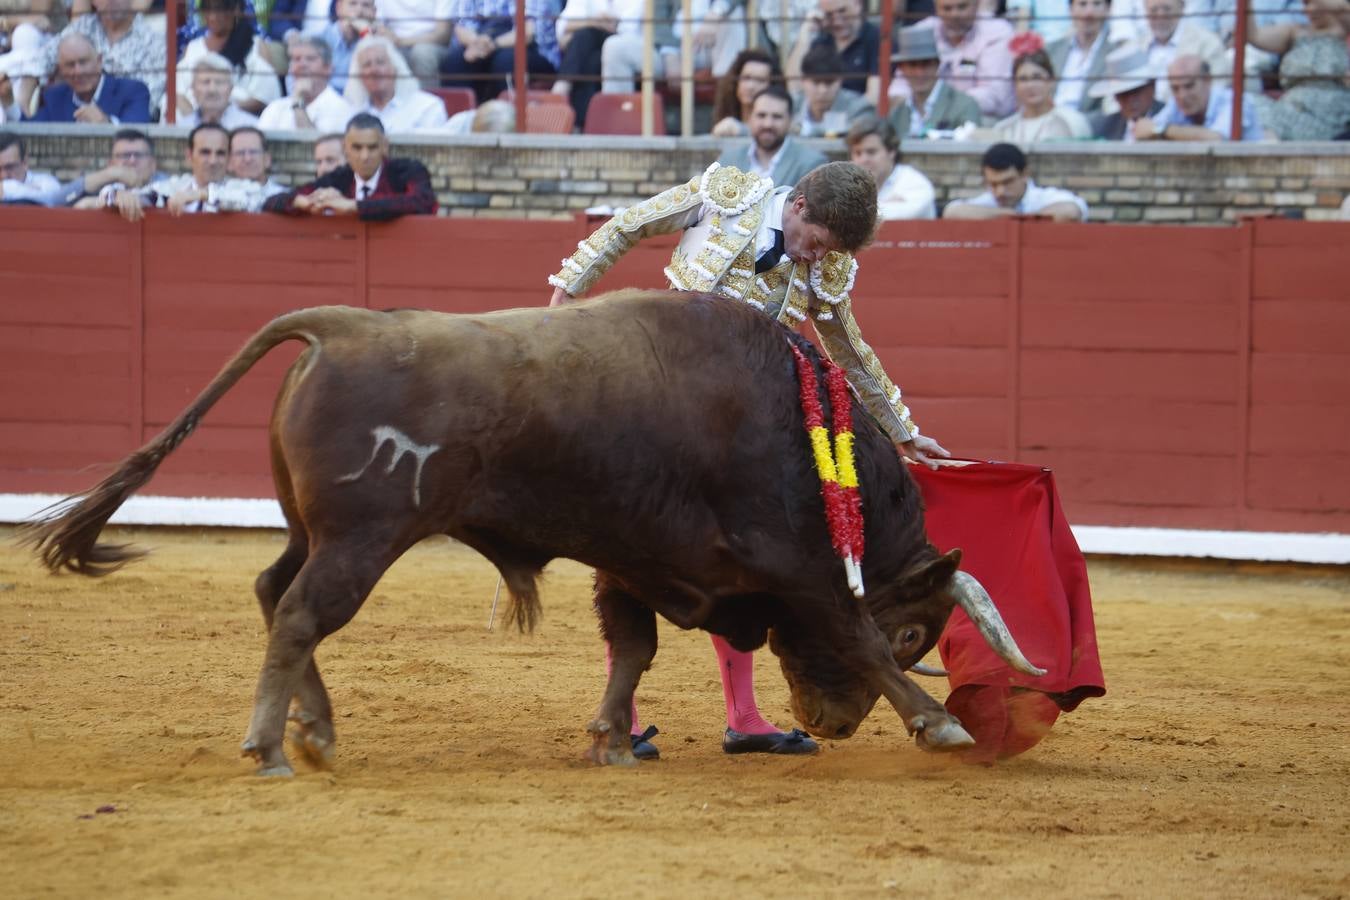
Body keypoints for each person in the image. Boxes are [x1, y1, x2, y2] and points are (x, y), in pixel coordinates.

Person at [548, 160, 950, 758]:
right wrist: (570, 288)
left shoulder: (830, 262)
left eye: (829, 252)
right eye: (815, 243)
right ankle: (623, 715)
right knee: (626, 549)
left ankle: (745, 717)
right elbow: (628, 226)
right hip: (665, 396)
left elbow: (850, 349)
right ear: (800, 205)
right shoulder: (726, 196)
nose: (817, 258)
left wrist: (903, 430)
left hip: (742, 435)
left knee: (744, 563)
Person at [264, 111, 437, 218]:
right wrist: (302, 201)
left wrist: (351, 205)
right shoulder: (339, 178)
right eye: (357, 148)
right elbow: (272, 202)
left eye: (372, 147)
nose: (364, 156)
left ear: (384, 146)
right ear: (345, 148)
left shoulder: (407, 170)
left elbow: (423, 202)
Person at [109, 122, 270, 220]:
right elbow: (141, 197)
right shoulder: (174, 188)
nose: (213, 161)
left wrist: (200, 194)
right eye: (205, 152)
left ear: (229, 159)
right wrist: (120, 195)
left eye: (220, 153)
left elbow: (251, 201)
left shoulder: (244, 189)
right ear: (189, 156)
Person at [38, 0, 166, 115]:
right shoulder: (82, 27)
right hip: (75, 113)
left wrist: (104, 118)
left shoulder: (154, 40)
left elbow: (150, 102)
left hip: (126, 121)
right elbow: (38, 61)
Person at [600, 0, 746, 100]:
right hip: (671, 45)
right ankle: (620, 122)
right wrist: (670, 52)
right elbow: (657, 18)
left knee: (734, 19)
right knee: (615, 47)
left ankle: (727, 108)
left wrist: (717, 12)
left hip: (711, 47)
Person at [1248, 0, 1350, 141]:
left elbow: (1342, 7)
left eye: (1312, 3)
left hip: (1331, 112)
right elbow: (1253, 36)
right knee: (1249, 104)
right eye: (1305, 4)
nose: (1307, 10)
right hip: (1290, 107)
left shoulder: (1342, 28)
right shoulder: (1294, 31)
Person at [902, 0, 1015, 120]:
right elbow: (898, 90)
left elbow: (994, 98)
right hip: (926, 116)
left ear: (977, 5)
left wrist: (936, 104)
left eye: (962, 7)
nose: (954, 15)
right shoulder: (923, 30)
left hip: (980, 121)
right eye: (947, 8)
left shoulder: (997, 30)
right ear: (936, 8)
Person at [440, 0, 560, 104]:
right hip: (483, 44)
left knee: (506, 61)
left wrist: (492, 45)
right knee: (454, 62)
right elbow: (462, 27)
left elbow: (527, 33)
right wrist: (476, 42)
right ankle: (463, 120)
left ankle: (511, 119)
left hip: (533, 51)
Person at [177, 0, 283, 116]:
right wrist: (195, 118)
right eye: (208, 9)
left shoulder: (256, 46)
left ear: (236, 9)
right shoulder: (192, 48)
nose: (212, 16)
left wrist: (224, 111)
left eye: (219, 10)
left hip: (238, 122)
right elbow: (177, 91)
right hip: (193, 120)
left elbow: (266, 95)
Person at [551, 0, 642, 129]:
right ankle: (585, 126)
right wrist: (594, 22)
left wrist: (596, 24)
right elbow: (564, 31)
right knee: (591, 57)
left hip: (626, 49)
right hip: (592, 49)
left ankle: (562, 91)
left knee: (589, 38)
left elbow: (630, 32)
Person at [943, 141, 1088, 221]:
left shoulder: (1044, 197)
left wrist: (1018, 220)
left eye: (1008, 182)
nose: (1000, 192)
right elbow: (952, 212)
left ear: (1025, 174)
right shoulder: (987, 202)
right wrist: (1007, 214)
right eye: (993, 184)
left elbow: (1071, 211)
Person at [26, 32, 151, 123]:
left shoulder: (132, 91)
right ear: (61, 70)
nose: (78, 71)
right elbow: (29, 133)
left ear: (99, 61)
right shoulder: (54, 97)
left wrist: (106, 124)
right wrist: (10, 105)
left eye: (83, 62)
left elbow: (138, 134)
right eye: (70, 65)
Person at [716, 85, 828, 187]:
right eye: (761, 115)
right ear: (750, 118)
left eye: (777, 117)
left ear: (790, 120)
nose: (768, 124)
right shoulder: (728, 160)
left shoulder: (811, 164)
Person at [887, 23, 981, 138]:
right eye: (912, 65)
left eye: (926, 64)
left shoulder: (965, 105)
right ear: (902, 69)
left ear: (937, 64)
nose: (919, 73)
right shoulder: (897, 114)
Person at [1141, 53, 1263, 140]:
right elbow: (1142, 130)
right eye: (1175, 88)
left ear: (1207, 80)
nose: (1182, 95)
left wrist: (1162, 130)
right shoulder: (1176, 103)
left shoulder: (1236, 101)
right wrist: (1158, 130)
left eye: (1189, 86)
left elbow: (1217, 140)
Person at [990, 38, 1091, 142]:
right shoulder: (1004, 129)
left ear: (1051, 80)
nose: (1030, 85)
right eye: (1023, 79)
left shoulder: (1071, 122)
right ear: (1015, 85)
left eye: (1037, 77)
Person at [342, 34, 449, 131]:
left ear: (395, 69)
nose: (374, 70)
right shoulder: (349, 112)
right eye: (367, 65)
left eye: (380, 62)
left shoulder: (427, 107)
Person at [846, 113, 935, 219]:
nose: (863, 160)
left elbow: (906, 213)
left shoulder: (914, 181)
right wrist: (886, 204)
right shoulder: (848, 185)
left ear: (891, 151)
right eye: (858, 153)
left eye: (871, 152)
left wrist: (859, 209)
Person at [787, 0, 881, 101]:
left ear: (858, 5)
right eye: (829, 15)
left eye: (842, 11)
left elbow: (874, 97)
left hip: (857, 113)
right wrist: (804, 33)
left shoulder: (877, 40)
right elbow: (794, 89)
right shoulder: (821, 41)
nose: (837, 21)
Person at [257, 34, 353, 131]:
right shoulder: (275, 107)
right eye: (296, 59)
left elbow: (314, 145)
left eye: (310, 59)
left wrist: (298, 104)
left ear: (328, 68)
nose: (302, 64)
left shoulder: (340, 108)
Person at [1139, 0, 1226, 103]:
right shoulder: (1136, 48)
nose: (1160, 15)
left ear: (1182, 7)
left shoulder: (1208, 44)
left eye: (1167, 9)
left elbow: (1217, 92)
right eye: (1154, 10)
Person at [1046, 0, 1123, 115]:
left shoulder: (1117, 53)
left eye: (1096, 4)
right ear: (1071, 10)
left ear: (1108, 9)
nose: (1089, 12)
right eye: (1082, 4)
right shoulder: (1052, 50)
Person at [792, 42, 874, 137]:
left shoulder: (859, 107)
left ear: (840, 81)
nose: (823, 91)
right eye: (816, 83)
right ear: (803, 81)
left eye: (829, 83)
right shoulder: (791, 105)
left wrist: (803, 130)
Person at [74, 127, 165, 208]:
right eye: (124, 155)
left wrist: (117, 200)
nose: (132, 161)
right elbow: (67, 203)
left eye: (139, 155)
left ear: (153, 164)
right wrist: (100, 201)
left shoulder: (168, 186)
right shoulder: (99, 189)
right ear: (111, 165)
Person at [373, 0, 453, 89]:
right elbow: (377, 23)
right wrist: (385, 34)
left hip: (433, 44)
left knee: (422, 53)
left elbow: (443, 34)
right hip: (395, 43)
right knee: (380, 51)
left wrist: (401, 41)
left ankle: (428, 101)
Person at [1088, 47, 1163, 140]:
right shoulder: (1103, 126)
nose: (1131, 100)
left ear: (1152, 86)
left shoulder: (1170, 119)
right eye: (1124, 94)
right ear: (1116, 97)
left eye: (1136, 91)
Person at [709, 46, 780, 137]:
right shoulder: (725, 118)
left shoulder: (780, 121)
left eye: (760, 80)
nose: (751, 86)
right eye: (746, 78)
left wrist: (742, 130)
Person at [178, 52, 261, 128]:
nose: (212, 90)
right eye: (205, 82)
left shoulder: (252, 127)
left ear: (230, 89)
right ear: (193, 88)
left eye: (219, 82)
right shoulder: (181, 128)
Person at [319, 0, 374, 93]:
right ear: (339, 8)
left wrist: (366, 34)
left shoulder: (379, 42)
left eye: (366, 5)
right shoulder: (317, 40)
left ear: (374, 12)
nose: (359, 11)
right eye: (353, 3)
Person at [0, 130, 64, 205]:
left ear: (25, 163)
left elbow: (54, 197)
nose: (3, 175)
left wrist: (5, 188)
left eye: (10, 167)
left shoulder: (46, 183)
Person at [229, 126, 288, 197]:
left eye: (253, 152)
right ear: (230, 162)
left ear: (266, 159)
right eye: (240, 153)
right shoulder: (218, 198)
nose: (248, 159)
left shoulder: (286, 199)